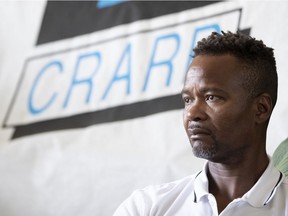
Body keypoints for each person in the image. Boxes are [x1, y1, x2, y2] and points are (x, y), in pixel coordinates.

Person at [113, 31, 288, 215]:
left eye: (211, 97)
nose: (192, 113)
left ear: (261, 109)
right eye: (188, 100)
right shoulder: (146, 207)